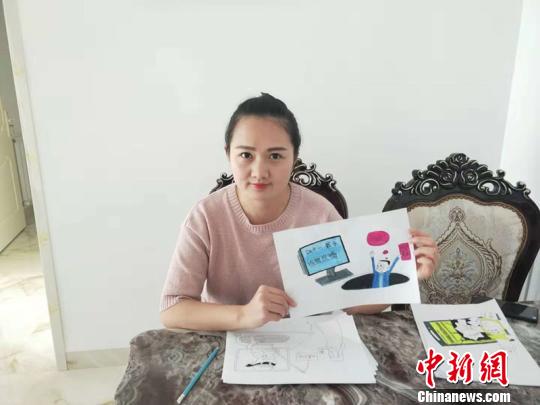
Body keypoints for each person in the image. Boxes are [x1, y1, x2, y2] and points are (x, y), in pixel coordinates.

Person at [160, 93, 439, 331]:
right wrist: (243, 315)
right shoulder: (205, 217)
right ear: (228, 154)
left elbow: (351, 300)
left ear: (294, 157)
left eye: (275, 156)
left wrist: (406, 275)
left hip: (311, 342)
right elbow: (173, 308)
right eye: (246, 155)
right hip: (228, 343)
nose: (259, 171)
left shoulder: (320, 213)